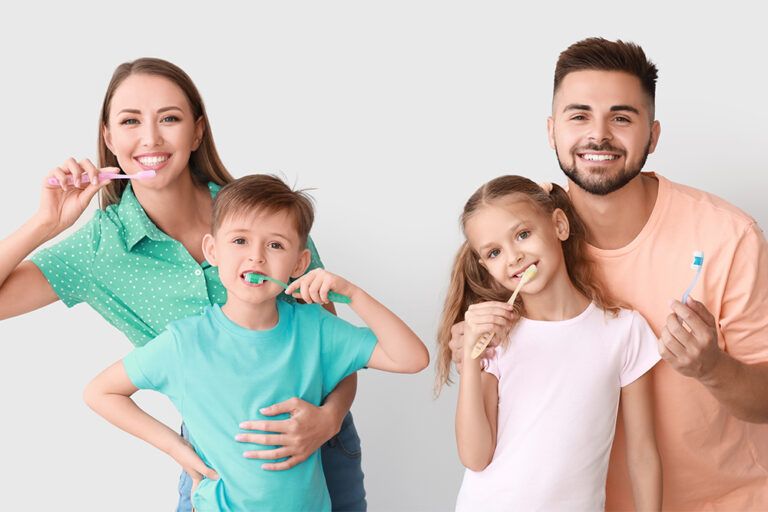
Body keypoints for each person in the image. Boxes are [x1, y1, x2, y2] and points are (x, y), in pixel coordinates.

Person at [0, 58, 369, 511]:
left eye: (169, 118)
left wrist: (328, 420)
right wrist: (44, 223)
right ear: (108, 137)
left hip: (319, 441)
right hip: (215, 462)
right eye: (130, 120)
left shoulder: (265, 217)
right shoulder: (98, 248)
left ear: (197, 132)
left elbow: (335, 347)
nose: (151, 138)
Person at [449, 38, 768, 510]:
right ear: (552, 130)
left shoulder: (729, 236)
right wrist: (467, 349)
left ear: (653, 135)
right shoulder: (522, 230)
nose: (598, 136)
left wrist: (712, 368)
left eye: (621, 117)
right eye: (579, 116)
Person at [83, 174, 429, 511]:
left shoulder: (317, 328)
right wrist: (174, 447)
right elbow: (101, 392)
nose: (257, 257)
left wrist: (354, 295)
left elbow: (412, 358)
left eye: (275, 245)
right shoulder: (184, 341)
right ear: (212, 250)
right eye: (240, 241)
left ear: (300, 263)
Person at [437, 175, 661, 511]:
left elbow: (642, 454)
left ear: (558, 225)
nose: (513, 257)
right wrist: (472, 359)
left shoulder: (624, 331)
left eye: (523, 234)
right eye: (495, 252)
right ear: (486, 267)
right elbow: (475, 456)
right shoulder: (496, 339)